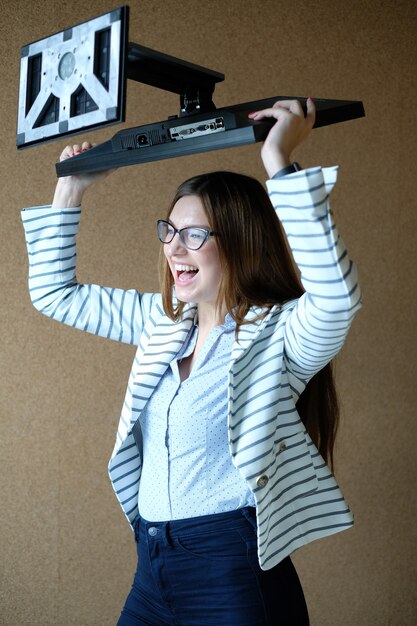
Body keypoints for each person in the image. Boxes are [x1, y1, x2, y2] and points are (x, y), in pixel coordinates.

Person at [21, 98, 361, 625]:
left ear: (241, 241)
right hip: (152, 566)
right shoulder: (161, 324)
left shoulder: (280, 336)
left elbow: (337, 298)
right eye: (170, 231)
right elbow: (53, 295)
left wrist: (278, 159)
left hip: (232, 573)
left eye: (196, 234)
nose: (175, 249)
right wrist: (71, 188)